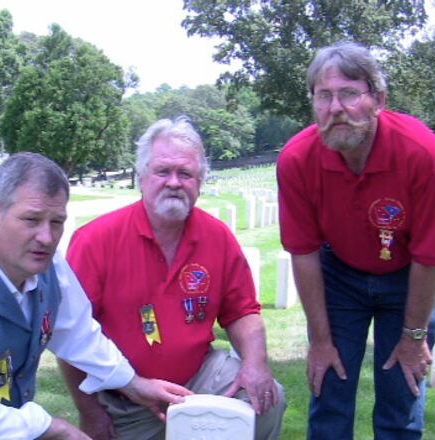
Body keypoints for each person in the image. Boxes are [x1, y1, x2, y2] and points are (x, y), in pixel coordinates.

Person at [0, 152, 191, 440]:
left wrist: (133, 384)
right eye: (31, 220)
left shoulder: (50, 267)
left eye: (57, 222)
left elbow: (79, 333)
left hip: (0, 424)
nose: (46, 237)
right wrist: (51, 426)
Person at [59, 117, 286, 440]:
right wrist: (89, 411)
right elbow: (70, 334)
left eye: (186, 173)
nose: (174, 182)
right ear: (141, 178)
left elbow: (242, 312)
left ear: (200, 181)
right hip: (125, 396)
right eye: (163, 171)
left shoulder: (216, 237)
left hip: (200, 378)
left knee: (266, 399)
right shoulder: (95, 241)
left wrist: (255, 364)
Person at [276, 41, 435, 439]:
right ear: (314, 104)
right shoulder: (296, 159)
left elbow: (430, 257)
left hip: (410, 275)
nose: (336, 107)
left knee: (400, 397)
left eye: (350, 93)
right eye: (324, 96)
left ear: (379, 99)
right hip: (339, 274)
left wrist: (413, 338)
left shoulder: (422, 153)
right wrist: (320, 340)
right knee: (330, 392)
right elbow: (303, 253)